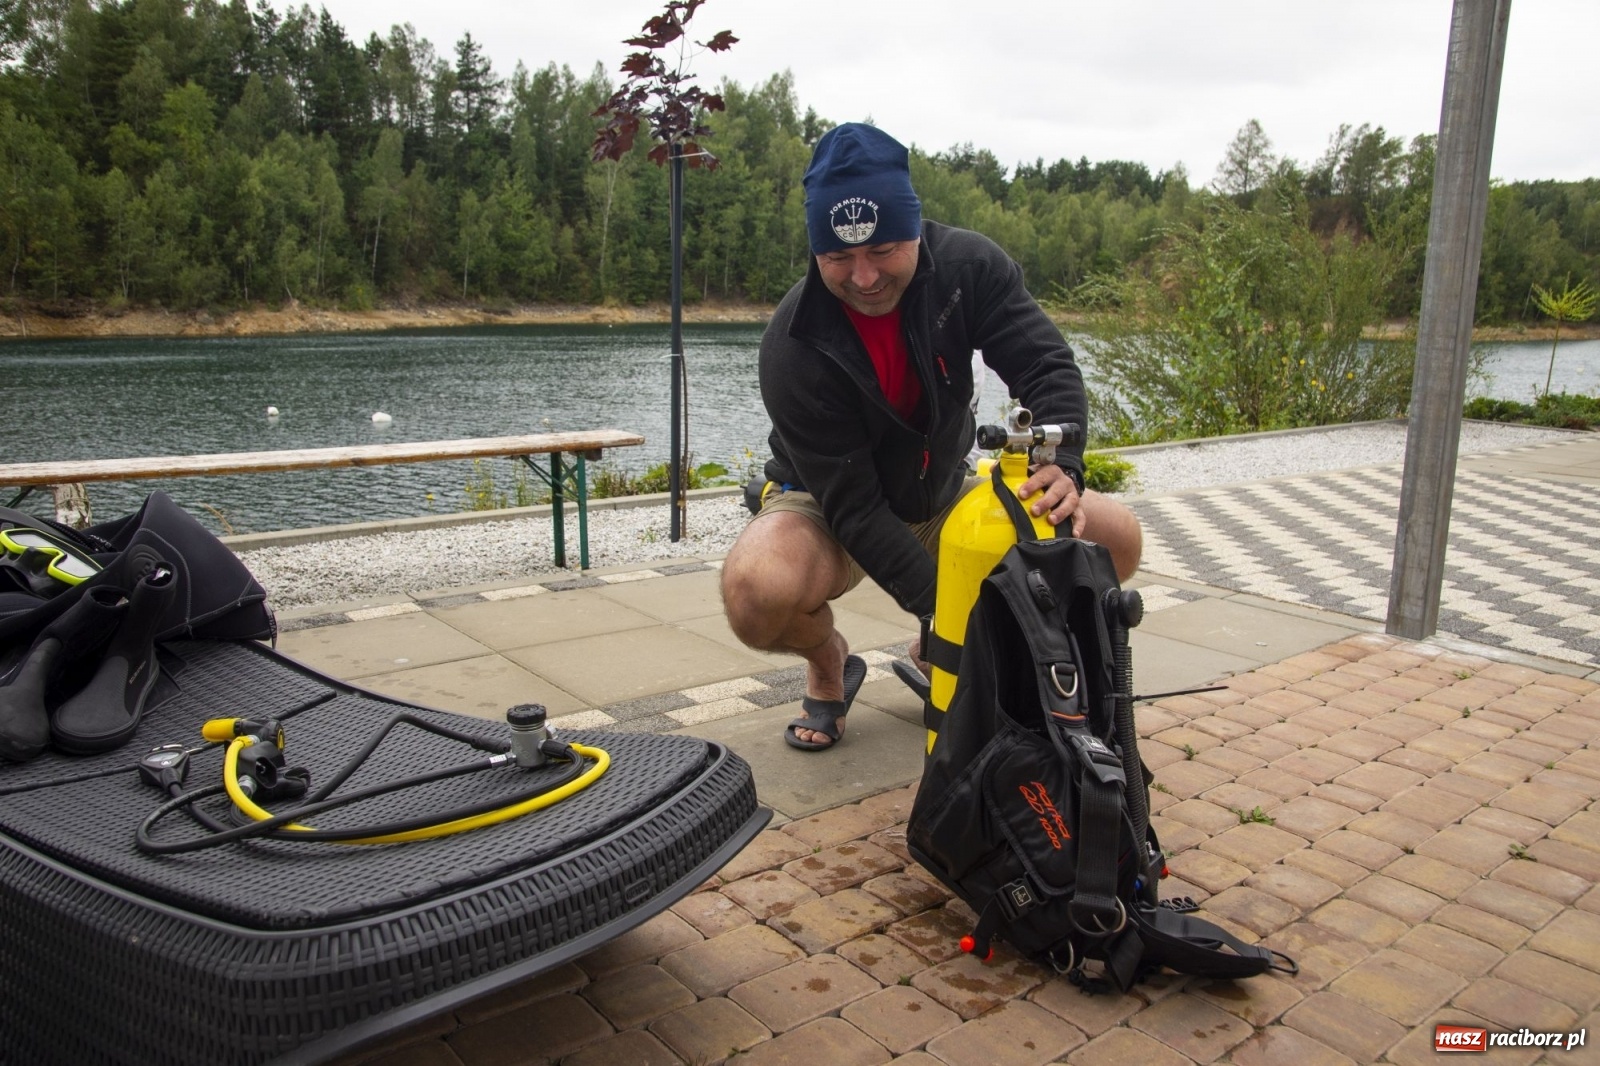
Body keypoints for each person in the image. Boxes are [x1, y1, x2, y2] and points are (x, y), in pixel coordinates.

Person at [720, 123, 1142, 752]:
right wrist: (942, 611)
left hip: (942, 492)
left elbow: (1046, 367)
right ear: (815, 253)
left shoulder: (969, 268)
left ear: (914, 228)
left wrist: (1066, 466)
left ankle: (969, 662)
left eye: (883, 249)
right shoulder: (793, 342)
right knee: (757, 591)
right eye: (837, 258)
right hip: (828, 508)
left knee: (1113, 542)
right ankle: (829, 661)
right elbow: (856, 507)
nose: (863, 278)